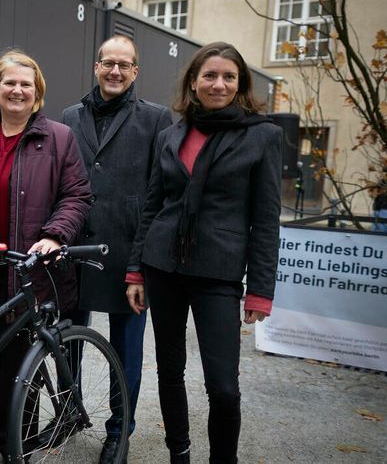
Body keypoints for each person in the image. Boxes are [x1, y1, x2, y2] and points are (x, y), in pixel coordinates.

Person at [126, 42, 282, 464]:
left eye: (228, 76)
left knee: (223, 387)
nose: (219, 83)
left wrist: (261, 290)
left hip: (219, 274)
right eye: (210, 75)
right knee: (169, 370)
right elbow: (153, 206)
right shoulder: (171, 135)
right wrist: (136, 270)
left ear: (240, 84)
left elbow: (266, 220)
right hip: (164, 268)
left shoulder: (262, 135)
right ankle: (179, 451)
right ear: (194, 82)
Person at [0, 49, 91, 462]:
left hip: (29, 271)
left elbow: (77, 195)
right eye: (10, 82)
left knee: (21, 365)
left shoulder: (59, 138)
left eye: (26, 84)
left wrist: (55, 235)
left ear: (37, 93)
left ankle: (16, 440)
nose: (17, 90)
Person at [61, 34, 172, 464]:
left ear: (135, 72)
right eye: (108, 63)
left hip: (127, 249)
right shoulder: (70, 116)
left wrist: (142, 264)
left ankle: (119, 431)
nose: (115, 71)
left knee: (126, 348)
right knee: (65, 337)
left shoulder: (156, 119)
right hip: (76, 244)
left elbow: (159, 194)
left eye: (124, 65)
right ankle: (69, 410)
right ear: (96, 66)